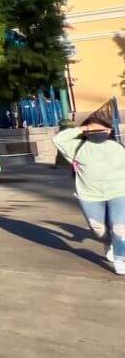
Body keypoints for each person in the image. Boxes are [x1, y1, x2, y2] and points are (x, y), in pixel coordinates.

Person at [53, 111, 125, 275]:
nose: (97, 133)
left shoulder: (118, 147)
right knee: (98, 230)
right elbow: (57, 139)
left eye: (102, 130)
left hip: (119, 193)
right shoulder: (76, 147)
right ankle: (109, 242)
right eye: (93, 131)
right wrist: (83, 128)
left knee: (120, 227)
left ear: (109, 131)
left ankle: (121, 258)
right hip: (89, 196)